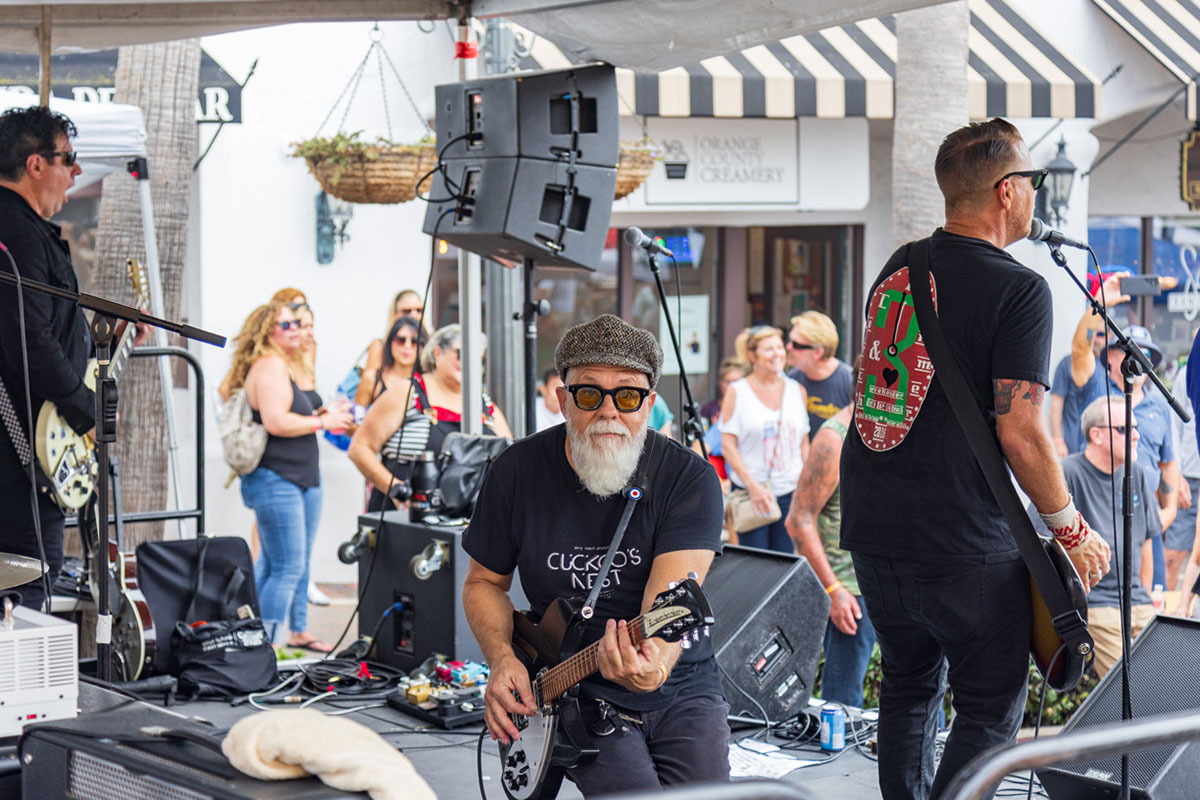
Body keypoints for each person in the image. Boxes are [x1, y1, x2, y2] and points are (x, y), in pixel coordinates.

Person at [840, 118, 1110, 800]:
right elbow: (1022, 430)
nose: (1033, 196)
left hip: (875, 531)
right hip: (964, 542)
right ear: (1006, 190)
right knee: (989, 708)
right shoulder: (1019, 288)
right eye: (1031, 182)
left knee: (907, 684)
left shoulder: (898, 267)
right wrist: (1071, 527)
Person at [461, 314, 729, 797]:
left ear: (649, 404)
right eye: (589, 393)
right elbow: (483, 582)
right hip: (567, 687)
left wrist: (655, 667)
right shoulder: (515, 471)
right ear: (563, 399)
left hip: (678, 682)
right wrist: (502, 660)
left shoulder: (690, 479)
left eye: (627, 395)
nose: (609, 411)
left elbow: (668, 604)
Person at [219, 301, 353, 651]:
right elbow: (276, 420)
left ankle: (259, 643)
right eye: (287, 324)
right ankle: (270, 649)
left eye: (298, 323)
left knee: (275, 565)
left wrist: (323, 414)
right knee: (287, 567)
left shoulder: (285, 366)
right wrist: (322, 421)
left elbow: (292, 415)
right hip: (276, 479)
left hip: (300, 479)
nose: (296, 329)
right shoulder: (268, 365)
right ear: (268, 332)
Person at [0, 106, 89, 611]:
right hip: (17, 458)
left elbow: (43, 330)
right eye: (69, 159)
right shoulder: (13, 232)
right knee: (26, 593)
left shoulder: (25, 233)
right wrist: (85, 413)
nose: (76, 171)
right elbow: (30, 341)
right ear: (36, 165)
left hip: (32, 447)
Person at [1031, 396, 1159, 677]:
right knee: (1135, 686)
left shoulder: (1135, 472)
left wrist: (1144, 597)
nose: (1136, 435)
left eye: (1136, 427)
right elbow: (1040, 543)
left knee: (1172, 678)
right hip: (1098, 606)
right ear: (1096, 434)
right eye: (1125, 429)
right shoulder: (1067, 472)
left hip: (1139, 603)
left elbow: (1148, 541)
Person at [349, 323, 511, 513]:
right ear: (437, 354)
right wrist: (396, 490)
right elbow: (359, 448)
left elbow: (512, 459)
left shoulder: (485, 404)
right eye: (460, 354)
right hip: (405, 519)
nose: (469, 363)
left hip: (466, 524)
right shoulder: (407, 393)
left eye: (478, 359)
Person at [784, 404, 876, 707]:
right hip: (850, 592)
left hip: (896, 585)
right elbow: (798, 522)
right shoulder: (834, 439)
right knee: (843, 707)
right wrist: (833, 590)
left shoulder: (892, 427)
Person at [721, 325, 809, 552]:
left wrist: (807, 483)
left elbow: (803, 442)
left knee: (785, 563)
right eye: (769, 349)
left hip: (791, 492)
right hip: (752, 495)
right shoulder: (737, 392)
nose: (778, 353)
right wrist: (753, 486)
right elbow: (728, 446)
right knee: (754, 565)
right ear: (753, 356)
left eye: (779, 347)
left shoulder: (796, 390)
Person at [1049, 274, 1129, 457]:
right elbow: (1056, 405)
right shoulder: (1073, 363)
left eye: (1100, 334)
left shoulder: (1112, 370)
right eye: (1095, 334)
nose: (1095, 338)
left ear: (1109, 337)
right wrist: (1058, 440)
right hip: (1078, 452)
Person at [785, 311, 853, 438]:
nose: (788, 347)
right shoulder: (792, 379)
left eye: (796, 344)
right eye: (789, 340)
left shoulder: (849, 382)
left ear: (818, 353)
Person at [356, 289, 428, 408]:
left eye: (419, 310)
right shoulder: (380, 346)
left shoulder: (430, 345)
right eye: (407, 311)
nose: (414, 315)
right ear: (395, 313)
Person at [1166, 350, 1200, 590]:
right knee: (1173, 556)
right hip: (1190, 477)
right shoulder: (1187, 372)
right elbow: (1173, 428)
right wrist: (1177, 476)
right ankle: (1169, 615)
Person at [535, 366, 564, 431]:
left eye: (564, 388)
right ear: (543, 390)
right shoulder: (531, 409)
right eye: (556, 388)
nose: (561, 394)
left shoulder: (571, 412)